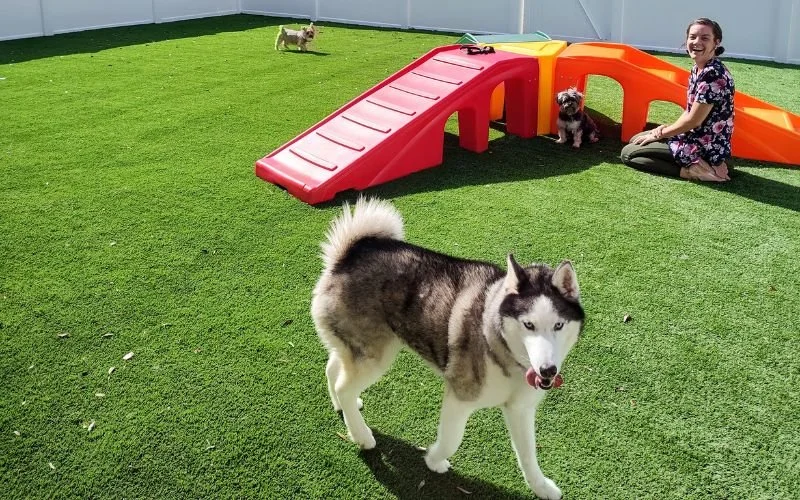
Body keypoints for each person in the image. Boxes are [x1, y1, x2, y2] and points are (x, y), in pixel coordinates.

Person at [620, 18, 735, 182]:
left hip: (706, 147)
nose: (696, 42)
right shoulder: (699, 68)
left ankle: (695, 170)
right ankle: (694, 165)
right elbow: (689, 111)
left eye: (705, 38)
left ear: (716, 42)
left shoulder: (712, 75)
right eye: (692, 37)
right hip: (694, 137)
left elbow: (693, 121)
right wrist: (663, 131)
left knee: (629, 154)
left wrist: (662, 133)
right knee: (636, 140)